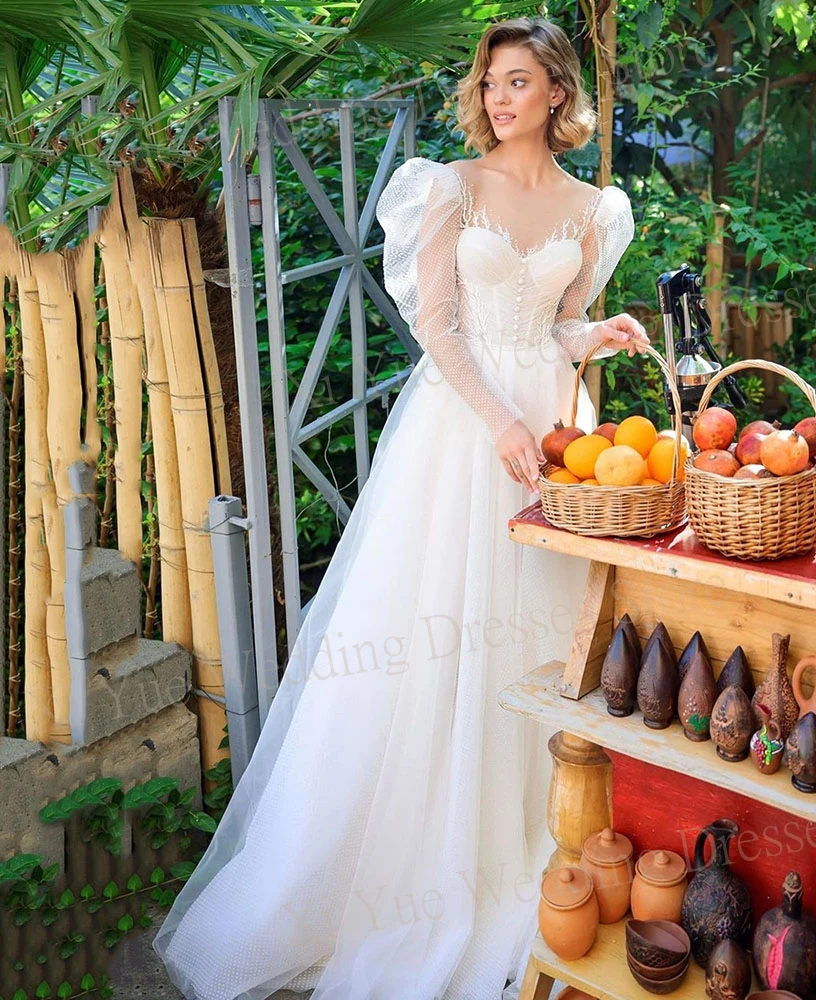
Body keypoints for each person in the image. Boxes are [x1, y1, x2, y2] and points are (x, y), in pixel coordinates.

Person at [153, 16, 648, 1000]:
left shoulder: (597, 206)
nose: (498, 99)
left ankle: (533, 839)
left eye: (517, 82)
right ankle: (414, 879)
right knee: (440, 636)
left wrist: (602, 334)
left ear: (557, 92)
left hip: (555, 431)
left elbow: (557, 323)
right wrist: (501, 424)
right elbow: (438, 328)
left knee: (542, 634)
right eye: (489, 83)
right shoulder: (448, 189)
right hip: (464, 434)